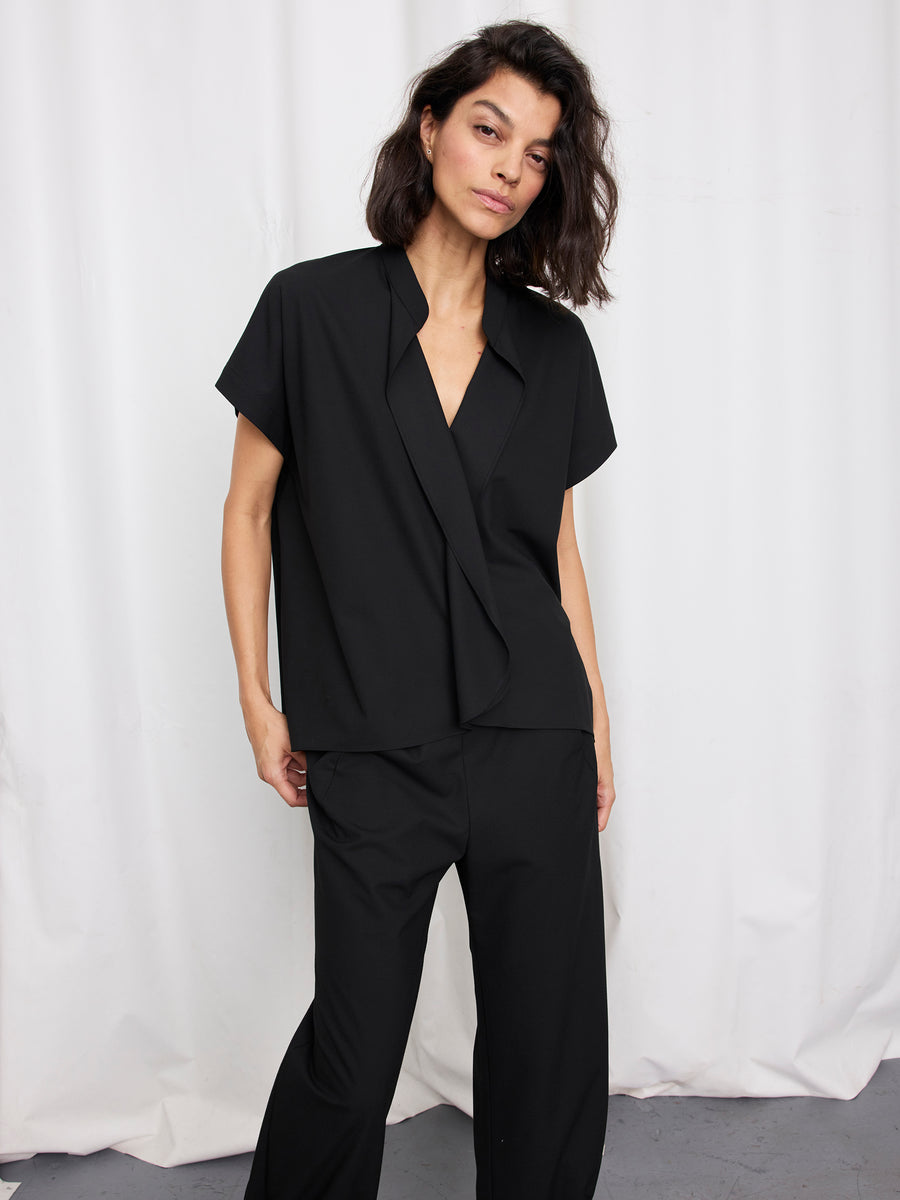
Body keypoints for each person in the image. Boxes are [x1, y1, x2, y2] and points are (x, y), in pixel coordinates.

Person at [216, 18, 619, 1200]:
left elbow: (558, 553)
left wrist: (595, 717)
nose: (508, 166)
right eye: (489, 129)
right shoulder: (312, 310)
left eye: (539, 152)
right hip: (372, 742)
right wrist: (256, 696)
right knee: (353, 1049)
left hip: (531, 734)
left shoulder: (554, 349)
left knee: (549, 1050)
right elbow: (246, 512)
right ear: (433, 127)